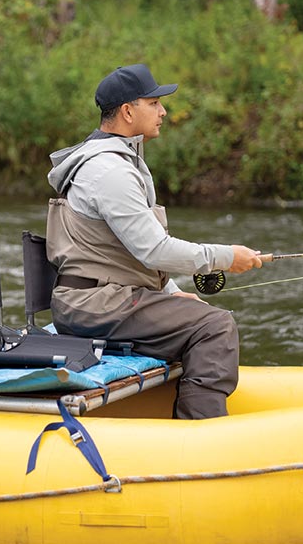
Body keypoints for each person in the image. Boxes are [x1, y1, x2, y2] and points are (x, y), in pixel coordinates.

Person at [45, 64, 264, 419]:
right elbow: (154, 249)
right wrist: (225, 257)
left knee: (200, 316)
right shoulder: (110, 171)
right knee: (215, 326)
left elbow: (129, 250)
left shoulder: (113, 162)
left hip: (100, 299)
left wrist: (171, 293)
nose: (163, 111)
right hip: (95, 305)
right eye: (154, 102)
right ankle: (199, 433)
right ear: (128, 112)